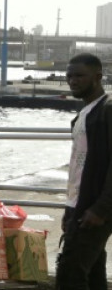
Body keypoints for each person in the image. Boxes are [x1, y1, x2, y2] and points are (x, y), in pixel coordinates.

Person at [56, 53, 112, 290]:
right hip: (80, 205)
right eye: (69, 76)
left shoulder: (107, 110)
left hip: (96, 208)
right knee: (92, 272)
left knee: (70, 273)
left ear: (98, 77)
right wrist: (70, 208)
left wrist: (101, 209)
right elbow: (79, 166)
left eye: (79, 76)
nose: (73, 81)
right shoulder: (84, 115)